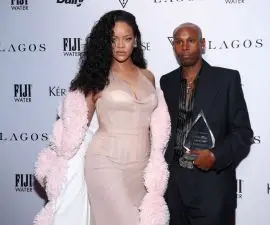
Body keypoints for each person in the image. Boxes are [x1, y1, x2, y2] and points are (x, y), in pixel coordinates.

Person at [34, 10, 170, 225]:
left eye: (126, 39)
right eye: (113, 39)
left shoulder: (148, 76)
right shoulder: (95, 77)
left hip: (141, 170)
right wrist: (58, 161)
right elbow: (77, 128)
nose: (120, 45)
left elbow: (157, 124)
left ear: (135, 40)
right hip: (105, 164)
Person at [160, 23, 253, 225]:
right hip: (174, 187)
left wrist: (214, 156)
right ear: (173, 47)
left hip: (212, 187)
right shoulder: (166, 82)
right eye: (178, 42)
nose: (184, 47)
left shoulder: (227, 79)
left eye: (191, 41)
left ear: (202, 44)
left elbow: (243, 133)